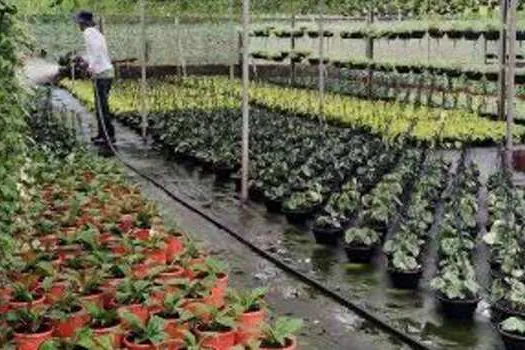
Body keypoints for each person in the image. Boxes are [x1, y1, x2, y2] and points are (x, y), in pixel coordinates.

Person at [75, 10, 116, 144]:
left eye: (79, 22)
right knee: (101, 106)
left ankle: (108, 135)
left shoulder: (88, 33)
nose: (78, 25)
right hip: (107, 72)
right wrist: (85, 59)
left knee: (101, 107)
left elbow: (97, 52)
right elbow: (97, 52)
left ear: (84, 22)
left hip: (102, 74)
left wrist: (91, 68)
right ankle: (103, 134)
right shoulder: (97, 33)